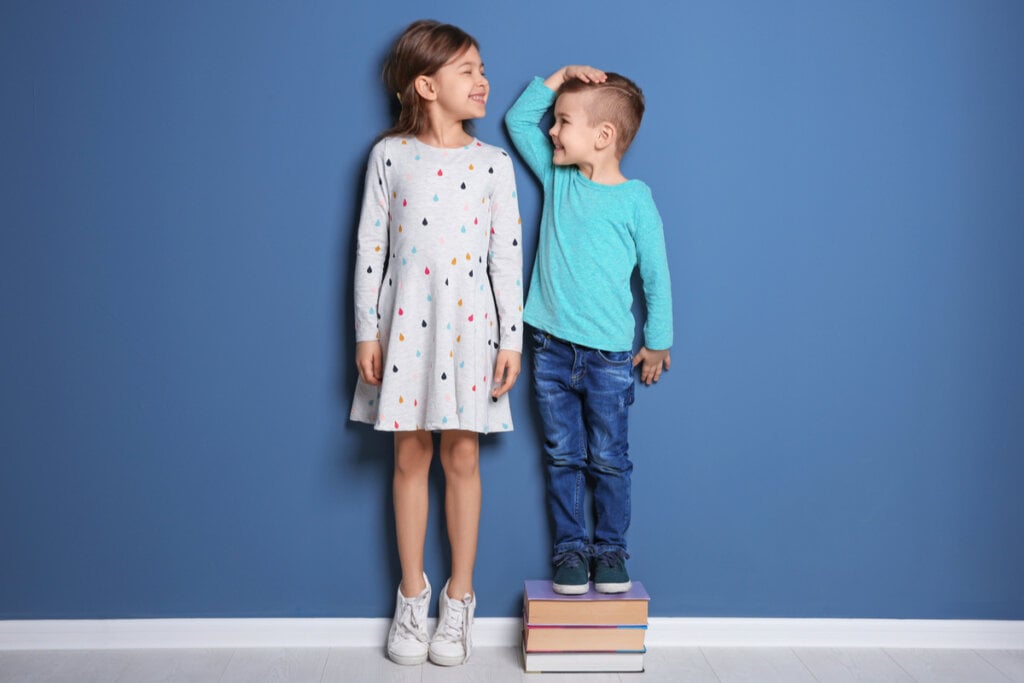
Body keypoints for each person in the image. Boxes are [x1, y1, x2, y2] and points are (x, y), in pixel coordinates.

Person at [351, 19, 523, 666]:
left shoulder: (493, 164)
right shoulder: (389, 156)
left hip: (470, 328)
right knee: (408, 457)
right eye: (467, 70)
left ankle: (460, 600)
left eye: (483, 68)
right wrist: (367, 328)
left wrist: (513, 337)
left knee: (462, 459)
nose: (483, 81)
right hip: (404, 326)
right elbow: (371, 246)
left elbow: (506, 257)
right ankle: (412, 596)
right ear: (426, 85)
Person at [505, 66, 672, 595]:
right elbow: (517, 119)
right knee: (562, 457)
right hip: (550, 349)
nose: (551, 131)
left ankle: (612, 551)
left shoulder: (635, 199)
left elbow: (655, 273)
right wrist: (559, 78)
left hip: (608, 359)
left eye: (564, 122)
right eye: (554, 122)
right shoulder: (559, 178)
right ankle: (571, 551)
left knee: (609, 459)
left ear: (603, 137)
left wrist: (659, 340)